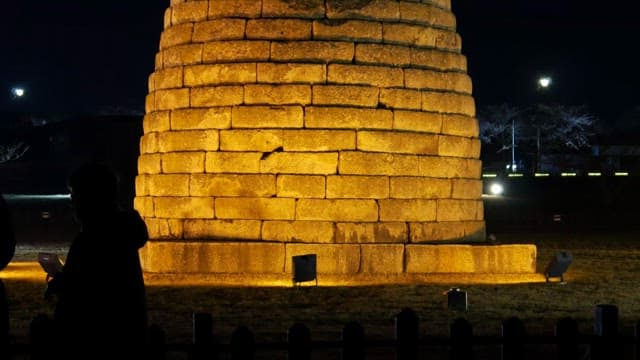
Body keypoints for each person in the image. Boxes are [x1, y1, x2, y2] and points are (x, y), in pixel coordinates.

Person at [45, 161, 148, 356]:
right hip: (128, 336)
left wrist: (62, 284)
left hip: (97, 341)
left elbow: (90, 293)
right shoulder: (121, 232)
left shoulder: (93, 240)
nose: (72, 202)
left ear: (89, 198)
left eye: (74, 195)